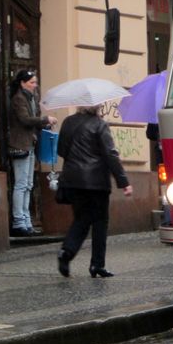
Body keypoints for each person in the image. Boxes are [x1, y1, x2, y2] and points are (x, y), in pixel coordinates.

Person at [55, 105, 132, 278]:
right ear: (97, 107)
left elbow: (61, 150)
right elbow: (110, 154)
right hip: (96, 182)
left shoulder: (67, 122)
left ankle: (66, 252)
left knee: (81, 218)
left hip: (73, 180)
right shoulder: (100, 124)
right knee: (100, 222)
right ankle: (97, 264)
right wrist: (124, 182)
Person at [7, 69, 56, 236]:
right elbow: (25, 120)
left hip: (30, 143)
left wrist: (44, 124)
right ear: (23, 83)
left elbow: (33, 121)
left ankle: (27, 221)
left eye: (35, 82)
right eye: (32, 82)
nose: (35, 85)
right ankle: (19, 222)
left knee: (28, 185)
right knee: (21, 185)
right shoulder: (19, 99)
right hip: (20, 144)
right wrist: (44, 119)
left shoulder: (31, 98)